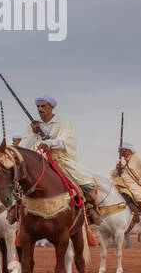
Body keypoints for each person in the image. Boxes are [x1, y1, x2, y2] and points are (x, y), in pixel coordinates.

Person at [18, 94, 101, 224]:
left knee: (87, 182)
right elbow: (23, 148)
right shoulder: (32, 126)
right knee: (13, 183)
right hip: (36, 160)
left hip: (58, 159)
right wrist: (34, 134)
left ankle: (90, 209)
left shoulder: (63, 122)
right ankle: (15, 210)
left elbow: (65, 141)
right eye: (38, 106)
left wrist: (49, 143)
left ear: (51, 107)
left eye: (43, 106)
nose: (40, 109)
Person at [111, 142, 141, 224]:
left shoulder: (138, 159)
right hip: (120, 183)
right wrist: (117, 169)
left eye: (121, 150)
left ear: (127, 150)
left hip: (133, 183)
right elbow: (113, 174)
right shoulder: (120, 161)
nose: (119, 152)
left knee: (138, 194)